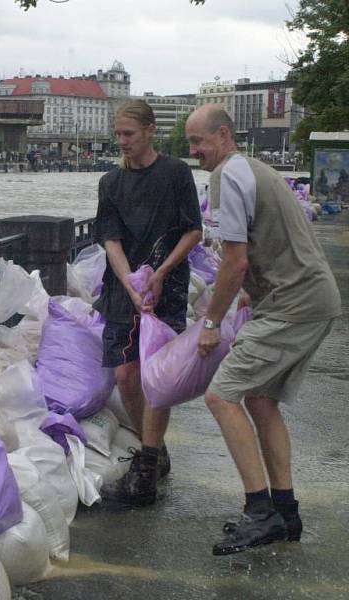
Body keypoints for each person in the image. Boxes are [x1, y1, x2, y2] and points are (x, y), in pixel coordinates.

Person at [186, 105, 341, 555]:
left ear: (224, 135)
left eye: (199, 142)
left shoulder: (227, 177)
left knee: (222, 394)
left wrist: (211, 322)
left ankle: (259, 513)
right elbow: (272, 240)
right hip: (309, 298)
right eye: (191, 143)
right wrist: (255, 289)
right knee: (259, 398)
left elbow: (235, 260)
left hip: (293, 305)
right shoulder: (254, 169)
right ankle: (285, 511)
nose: (194, 151)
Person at [93, 99, 203, 505]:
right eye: (118, 134)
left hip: (167, 285)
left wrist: (159, 274)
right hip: (125, 288)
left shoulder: (174, 174)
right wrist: (130, 282)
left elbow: (194, 231)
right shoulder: (110, 183)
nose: (122, 141)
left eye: (129, 134)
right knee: (126, 376)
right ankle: (151, 446)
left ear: (150, 130)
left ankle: (147, 465)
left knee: (157, 375)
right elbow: (111, 240)